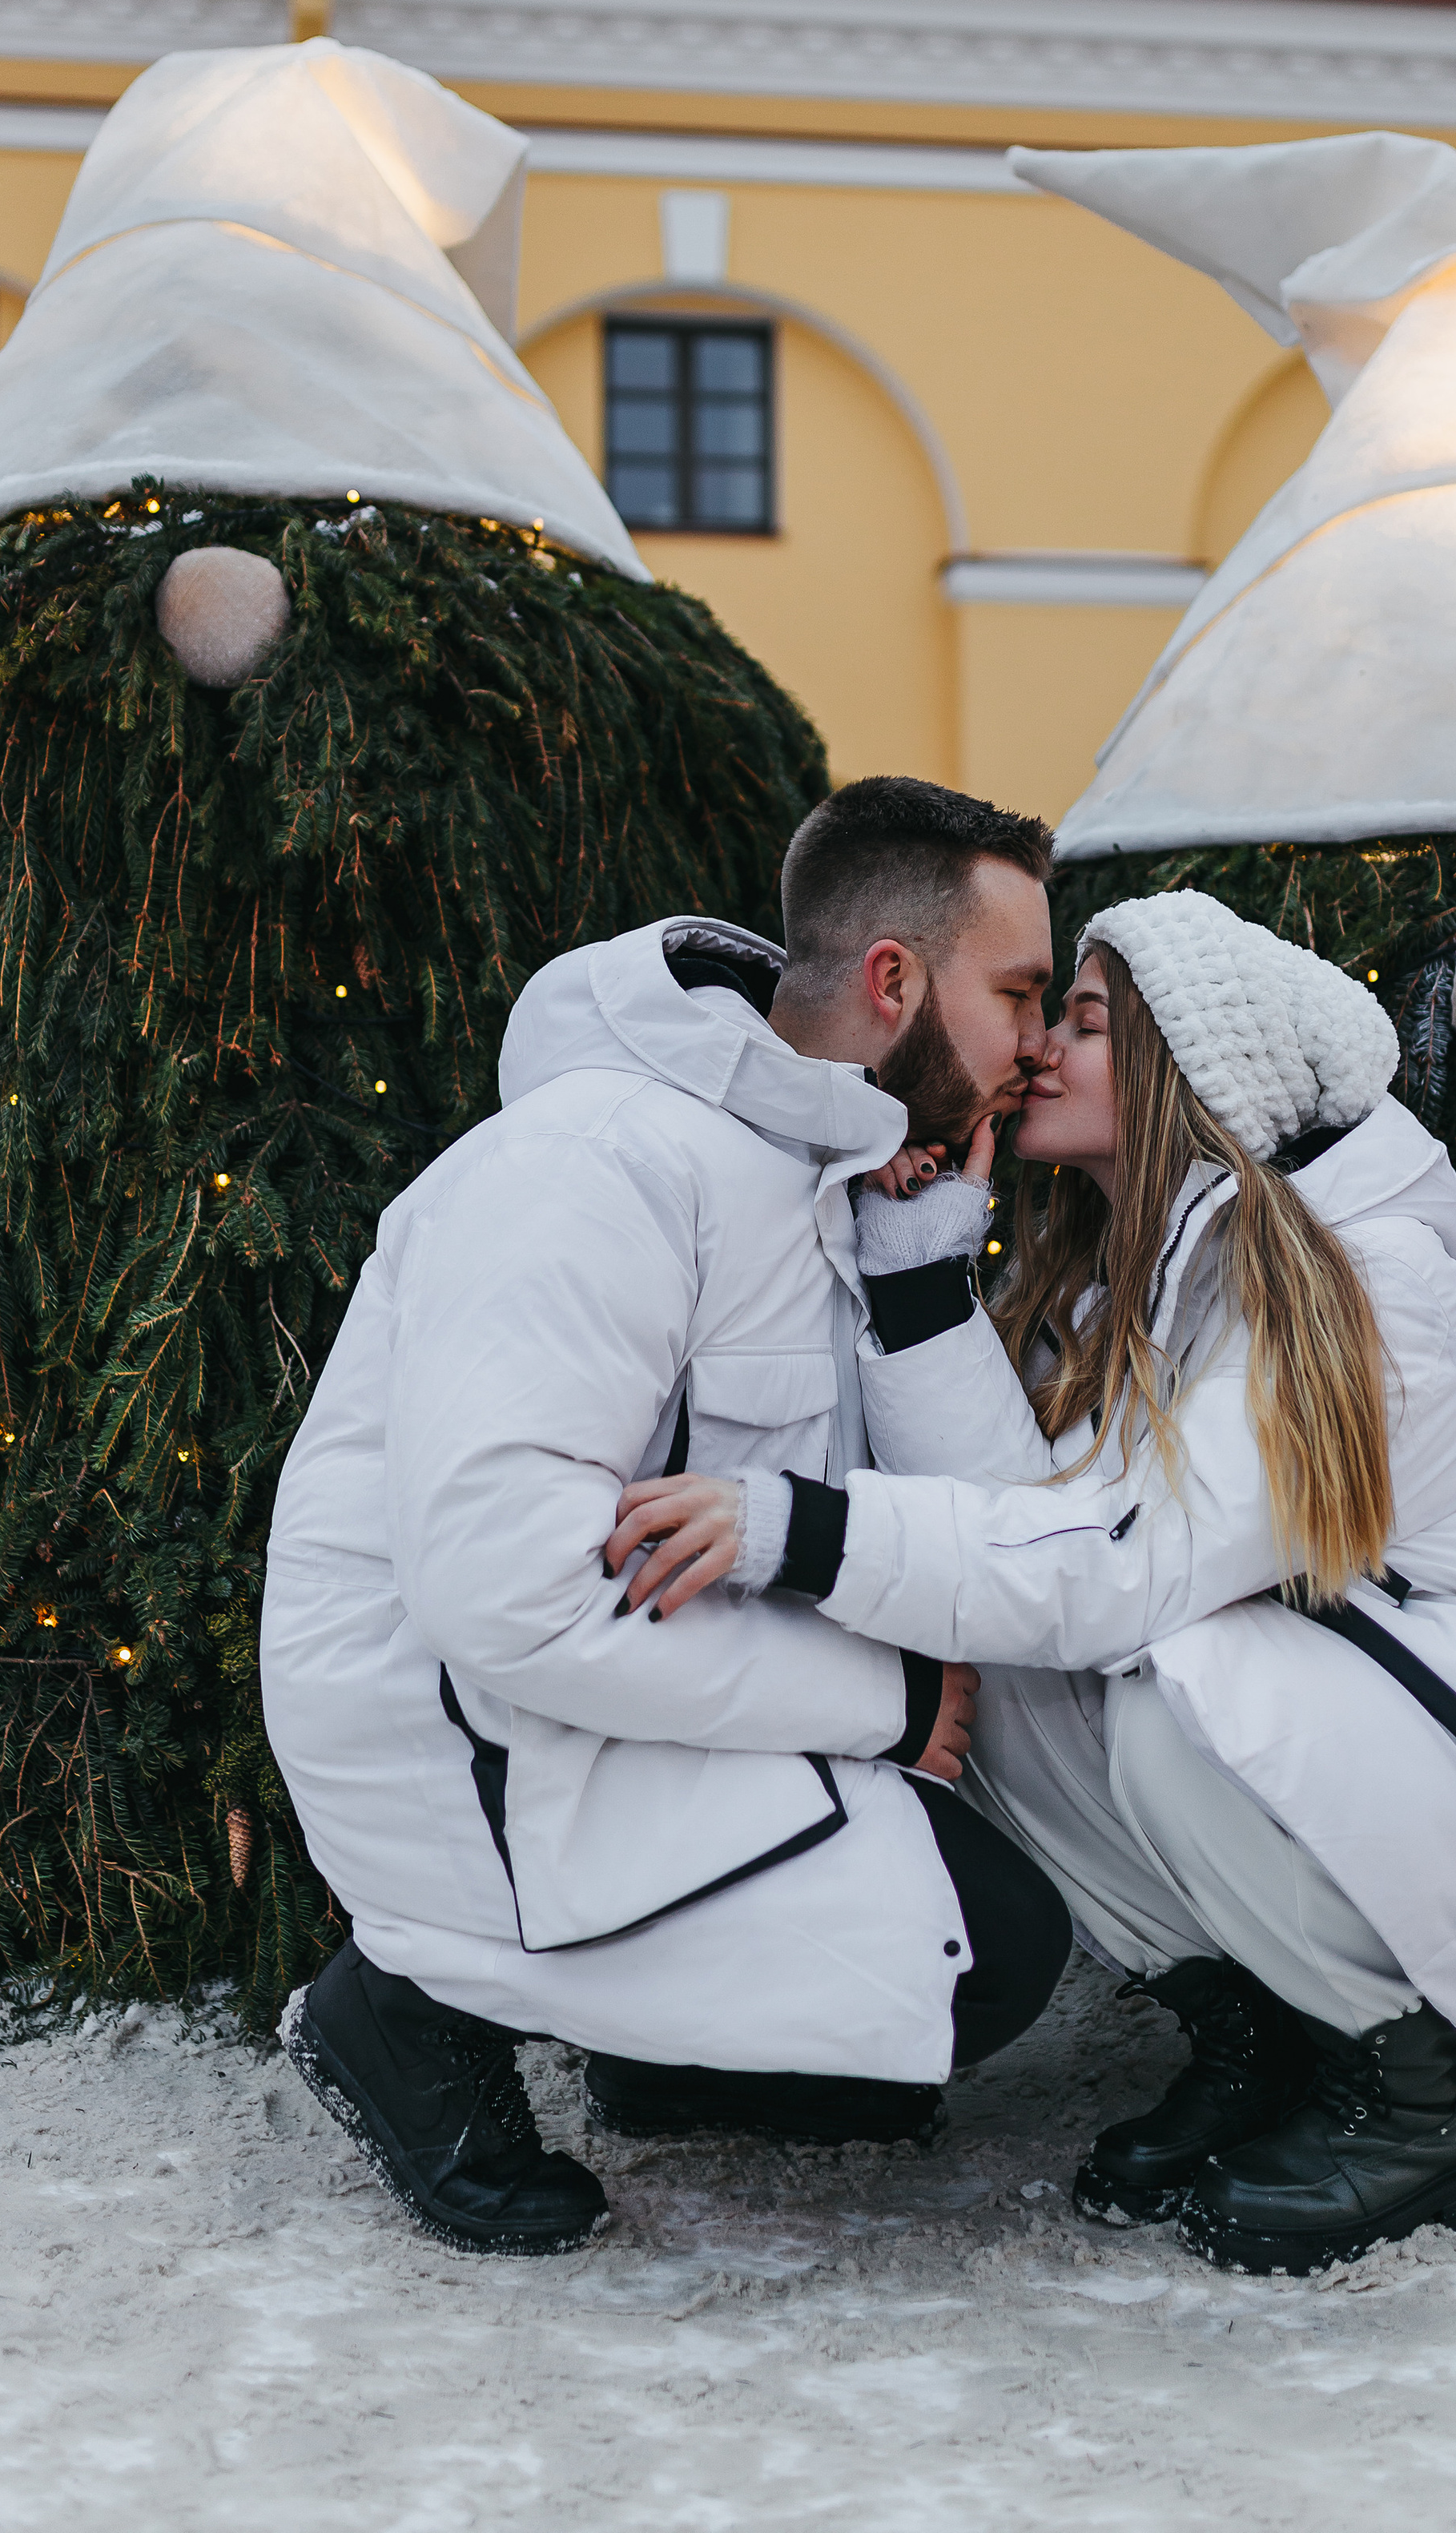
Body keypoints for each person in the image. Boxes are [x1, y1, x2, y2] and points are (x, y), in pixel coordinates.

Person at [609, 887, 1456, 2277]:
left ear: (1188, 1072)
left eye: (1081, 1025)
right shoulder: (1133, 1287)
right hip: (1385, 1710)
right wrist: (915, 1282)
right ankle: (1263, 2038)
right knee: (1003, 1670)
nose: (1037, 1057)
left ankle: (1413, 2102)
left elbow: (1124, 1569)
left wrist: (799, 1529)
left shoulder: (1365, 1289)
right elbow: (1026, 1546)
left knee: (1170, 1678)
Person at [260, 777, 1074, 2256]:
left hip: (615, 1705)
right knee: (985, 1950)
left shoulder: (823, 1176)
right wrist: (877, 1701)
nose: (1040, 1042)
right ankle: (405, 2009)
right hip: (464, 1745)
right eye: (1020, 993)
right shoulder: (597, 1163)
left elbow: (1006, 1549)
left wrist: (912, 1280)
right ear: (895, 979)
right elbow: (506, 1592)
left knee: (971, 1950)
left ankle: (666, 2046)